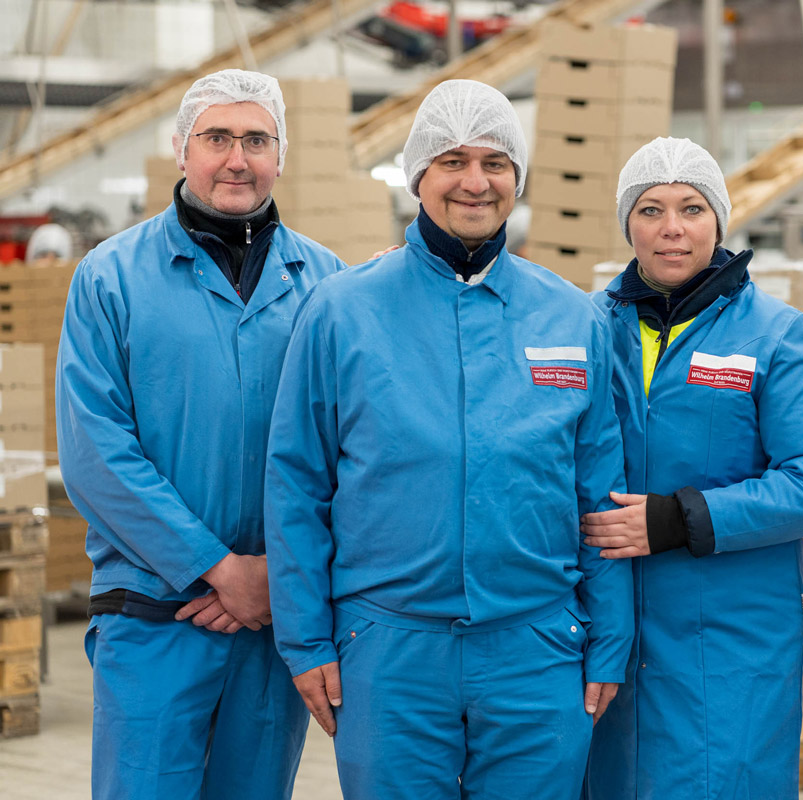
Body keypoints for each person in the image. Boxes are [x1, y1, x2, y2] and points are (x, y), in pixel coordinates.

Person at [264, 79, 632, 799]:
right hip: (389, 651)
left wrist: (608, 641)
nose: (475, 181)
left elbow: (603, 499)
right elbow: (297, 485)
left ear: (518, 179)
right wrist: (307, 640)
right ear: (418, 176)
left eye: (496, 162)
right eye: (453, 160)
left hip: (537, 646)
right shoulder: (342, 312)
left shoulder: (572, 319)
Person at [56, 69, 344, 800]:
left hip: (275, 621)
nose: (236, 159)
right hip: (157, 615)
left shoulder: (332, 288)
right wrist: (218, 567)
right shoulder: (109, 279)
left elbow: (358, 453)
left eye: (256, 139)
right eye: (217, 138)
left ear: (282, 156)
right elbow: (96, 452)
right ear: (183, 150)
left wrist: (277, 576)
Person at [582, 137, 803, 799]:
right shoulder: (589, 327)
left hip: (729, 645)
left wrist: (682, 518)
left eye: (692, 208)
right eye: (650, 210)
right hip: (608, 636)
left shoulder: (774, 334)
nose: (672, 228)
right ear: (628, 224)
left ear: (720, 220)